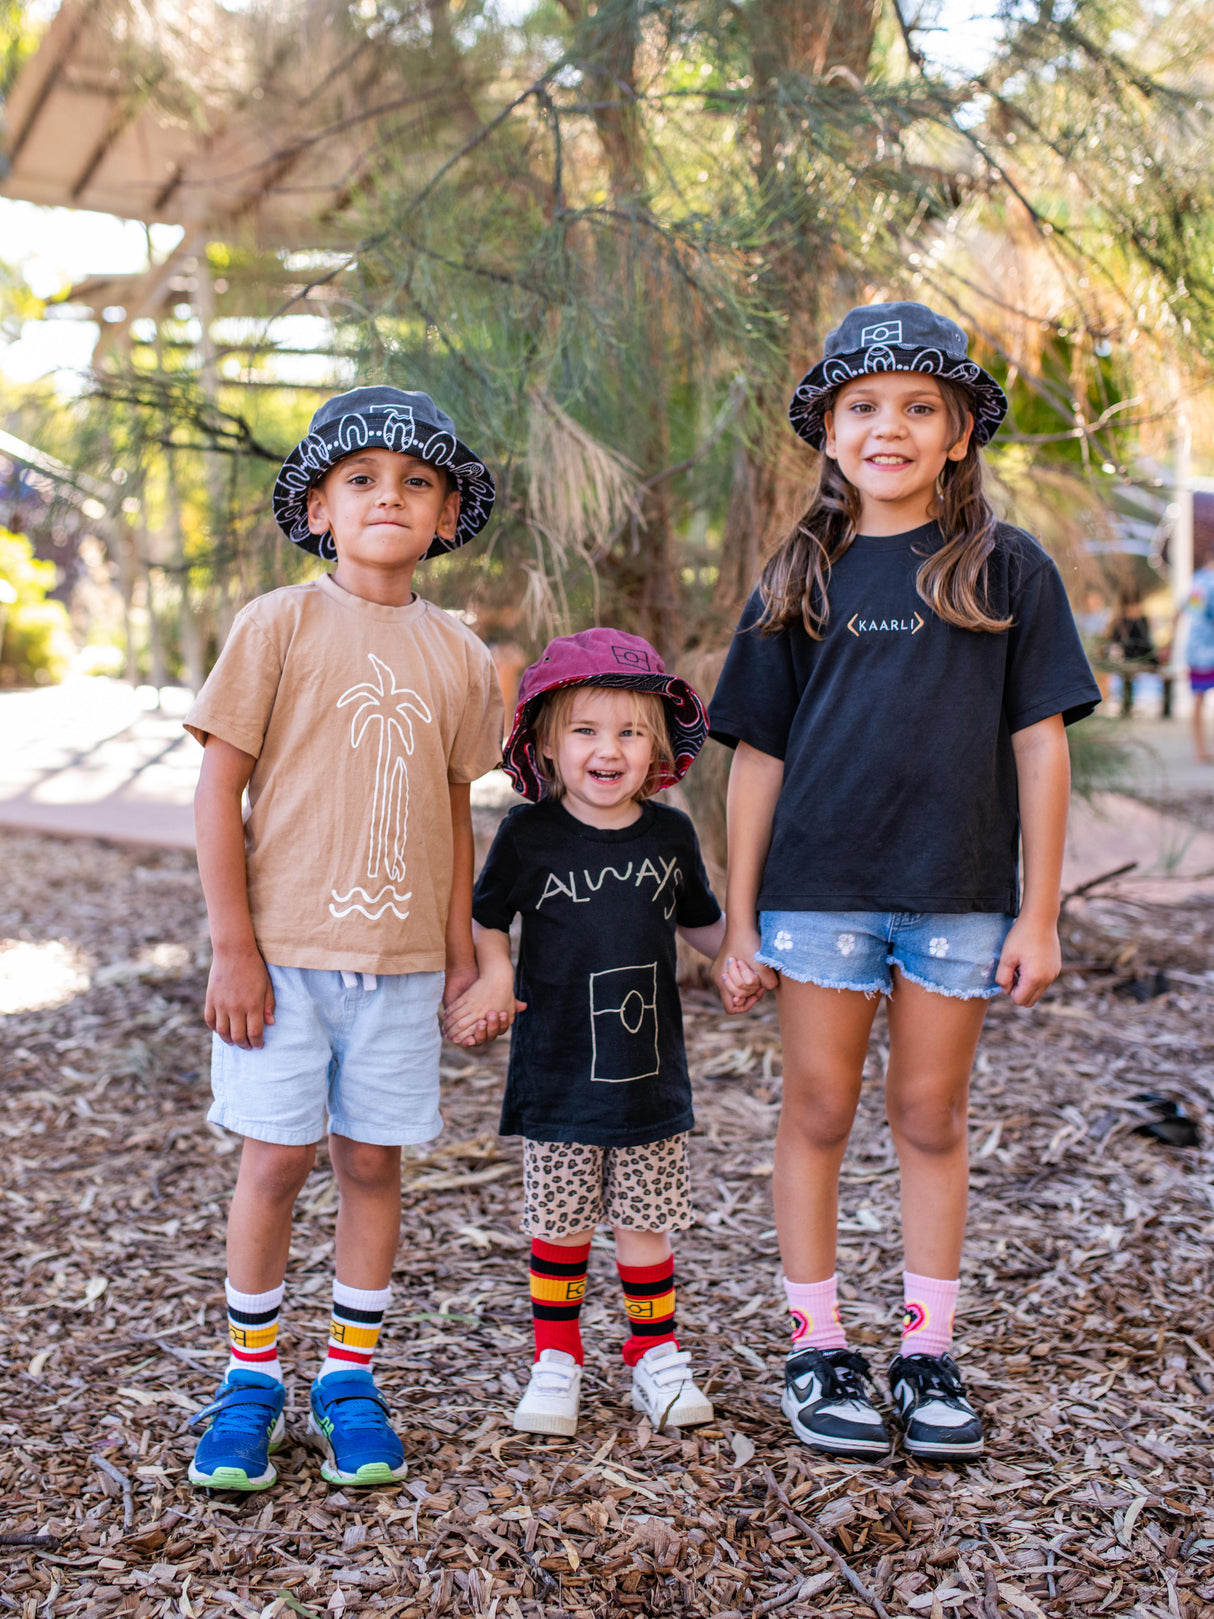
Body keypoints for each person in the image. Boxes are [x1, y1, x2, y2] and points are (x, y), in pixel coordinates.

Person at [710, 302, 1100, 1461]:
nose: (890, 426)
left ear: (958, 432)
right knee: (818, 1108)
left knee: (929, 1115)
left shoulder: (1004, 567)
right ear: (829, 433)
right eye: (862, 406)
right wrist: (737, 917)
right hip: (819, 891)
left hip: (958, 893)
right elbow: (757, 758)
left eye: (917, 407)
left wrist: (1038, 909)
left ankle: (926, 1348)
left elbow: (1040, 739)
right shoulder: (799, 569)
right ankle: (815, 1340)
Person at [183, 387, 504, 1490]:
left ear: (446, 514)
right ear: (318, 507)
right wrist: (233, 945)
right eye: (361, 479)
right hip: (281, 957)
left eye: (416, 482)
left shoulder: (461, 652)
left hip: (406, 964)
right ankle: (250, 1379)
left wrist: (465, 950)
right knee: (274, 1159)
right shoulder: (277, 623)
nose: (388, 497)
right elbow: (218, 788)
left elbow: (457, 808)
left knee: (371, 1158)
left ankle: (348, 1376)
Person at [443, 630, 726, 1437]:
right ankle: (556, 1360)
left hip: (648, 1077)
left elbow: (703, 924)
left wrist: (741, 957)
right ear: (545, 743)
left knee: (646, 1224)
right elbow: (486, 918)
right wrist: (495, 976)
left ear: (657, 747)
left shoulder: (669, 836)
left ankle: (653, 1356)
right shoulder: (529, 836)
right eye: (587, 731)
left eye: (631, 732)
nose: (610, 750)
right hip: (559, 1073)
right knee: (560, 1224)